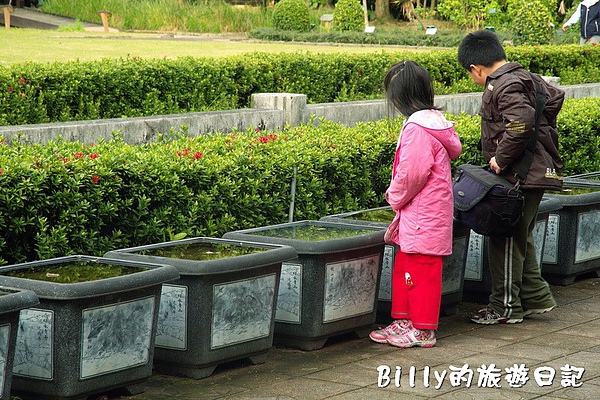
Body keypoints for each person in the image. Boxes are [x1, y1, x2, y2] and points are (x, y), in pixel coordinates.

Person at [457, 30, 565, 325]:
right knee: (520, 236)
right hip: (533, 171)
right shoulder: (523, 77)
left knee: (504, 239)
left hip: (520, 174)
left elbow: (520, 123)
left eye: (471, 76)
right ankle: (535, 297)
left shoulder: (503, 84)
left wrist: (499, 159)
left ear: (475, 68)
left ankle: (505, 307)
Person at [369, 61, 462, 348]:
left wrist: (393, 196)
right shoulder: (432, 123)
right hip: (424, 215)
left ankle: (422, 329)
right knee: (408, 267)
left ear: (399, 99)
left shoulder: (417, 129)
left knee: (420, 272)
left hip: (423, 215)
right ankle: (405, 321)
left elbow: (412, 174)